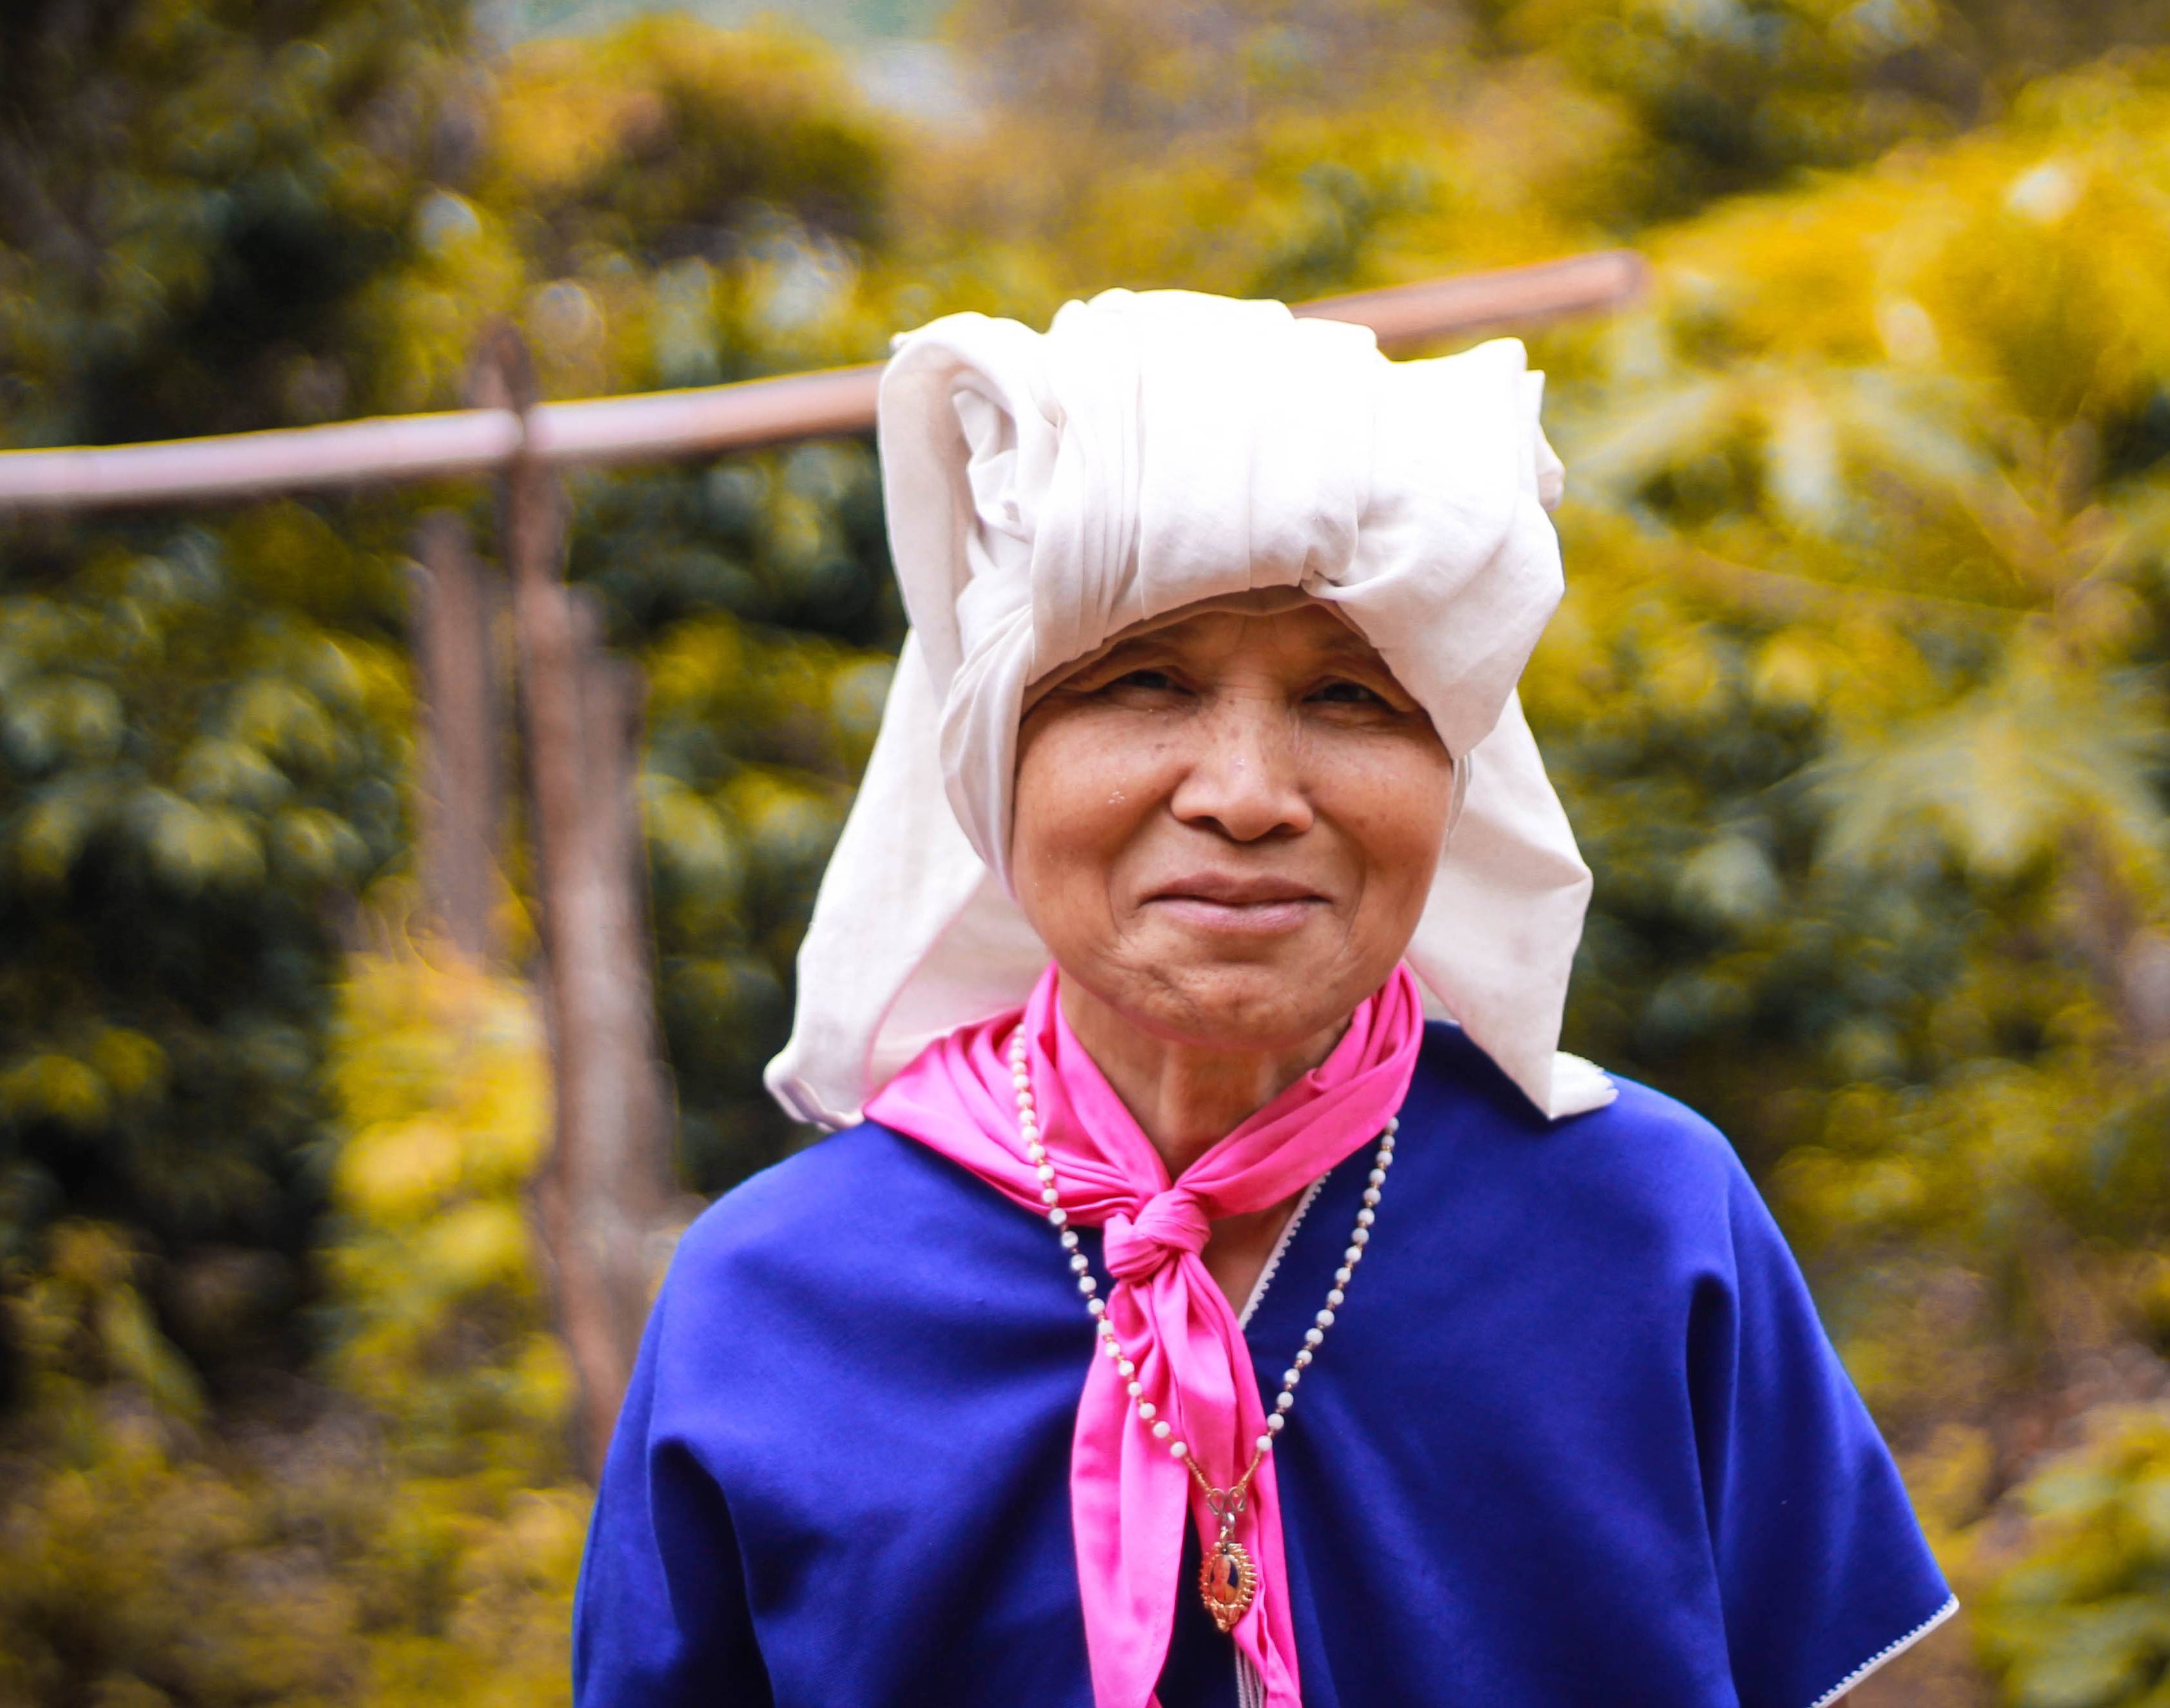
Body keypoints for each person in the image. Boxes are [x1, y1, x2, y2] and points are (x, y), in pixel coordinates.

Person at [571, 290, 1955, 1708]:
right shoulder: (775, 1302)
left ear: (1452, 770)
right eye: (1143, 681)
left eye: (1351, 697)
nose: (1244, 795)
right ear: (995, 758)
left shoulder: (1646, 1227)